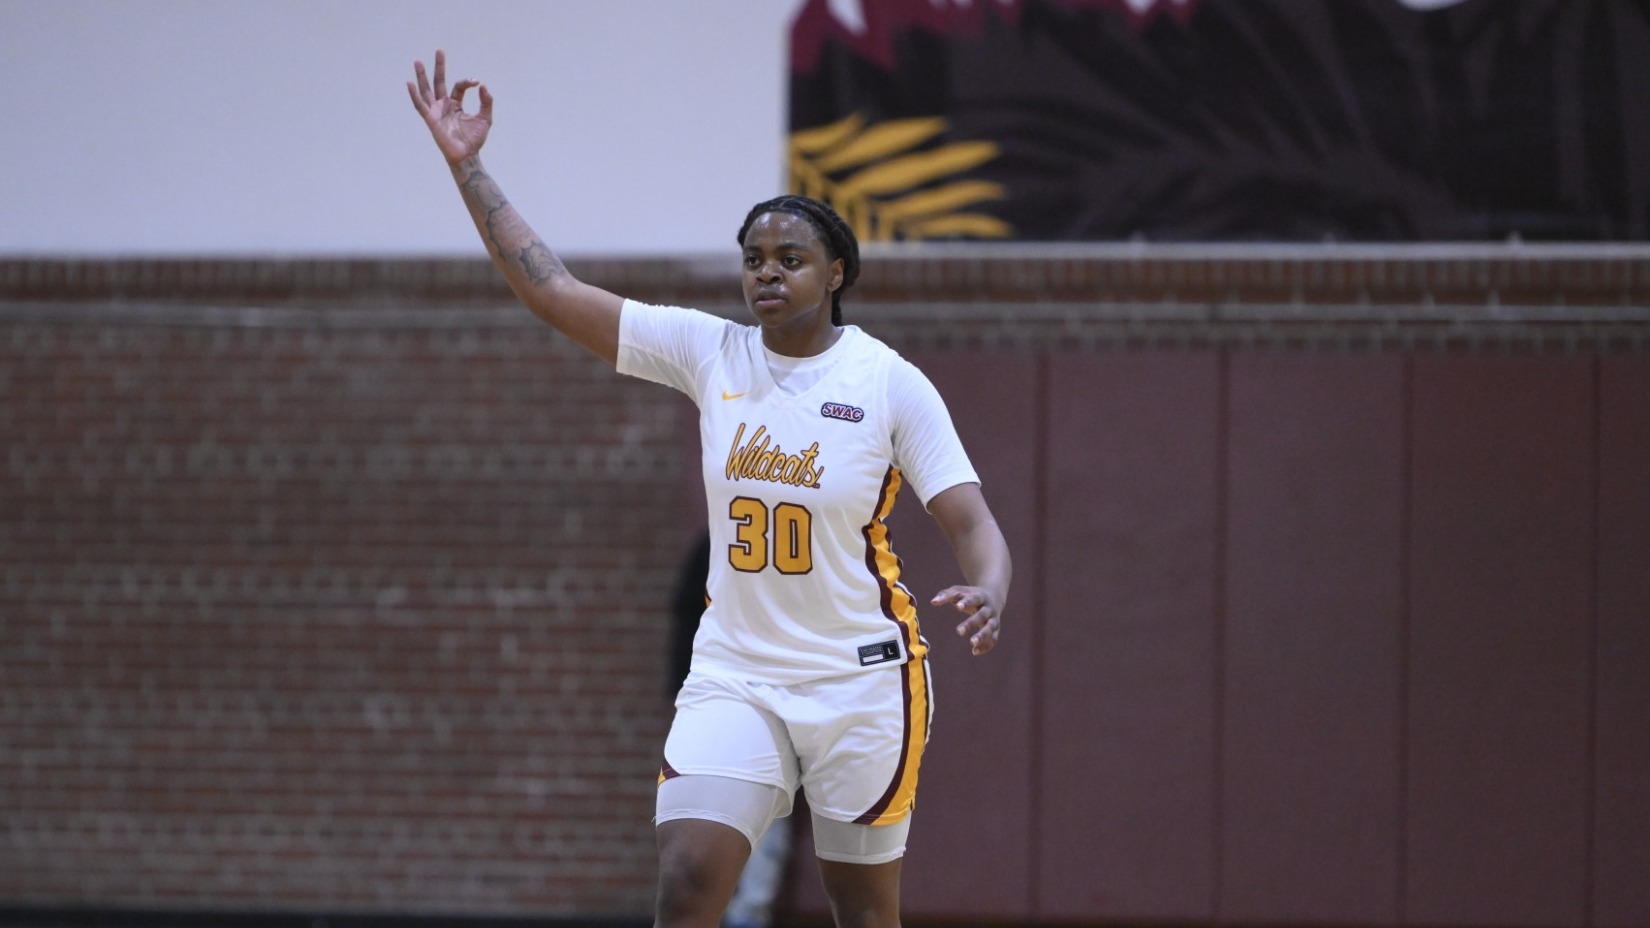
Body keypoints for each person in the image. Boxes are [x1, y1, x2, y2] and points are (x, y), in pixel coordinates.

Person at [407, 50, 1011, 928]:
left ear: (834, 272)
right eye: (754, 258)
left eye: (790, 258)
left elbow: (972, 521)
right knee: (688, 880)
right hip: (737, 671)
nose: (767, 272)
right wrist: (467, 164)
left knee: (864, 909)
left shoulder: (889, 383)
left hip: (860, 679)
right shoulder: (710, 352)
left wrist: (989, 588)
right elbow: (554, 292)